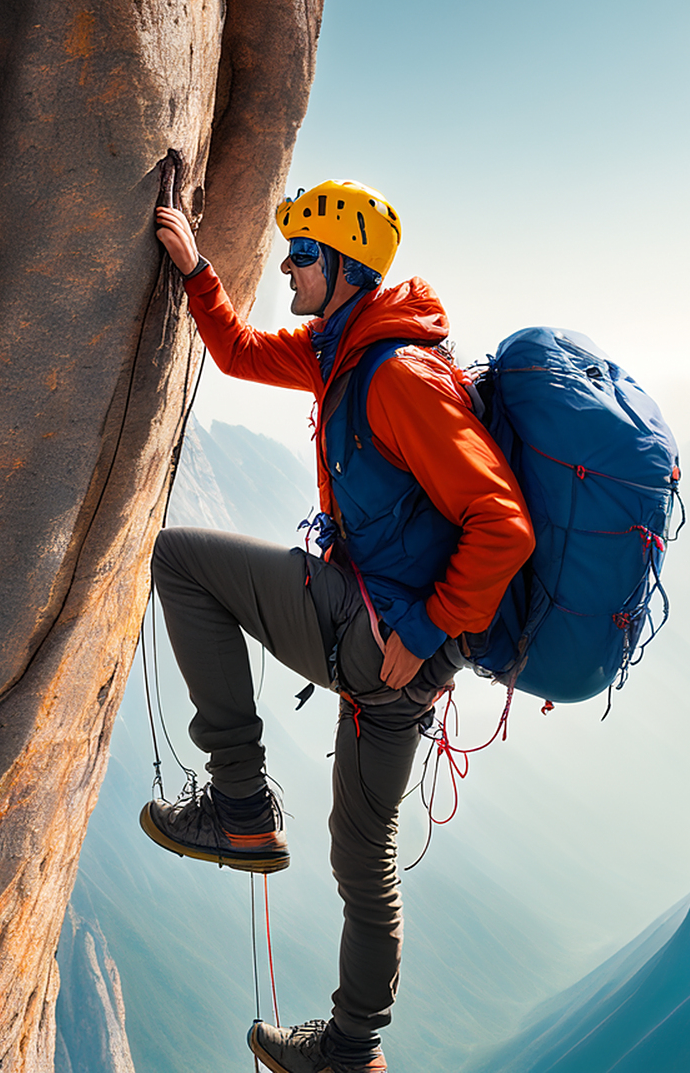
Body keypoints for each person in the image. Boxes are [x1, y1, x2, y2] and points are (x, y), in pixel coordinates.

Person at [147, 179, 534, 1073]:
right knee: (365, 859)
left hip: (383, 640)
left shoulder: (395, 377)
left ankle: (239, 802)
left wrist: (427, 626)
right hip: (404, 666)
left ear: (346, 268)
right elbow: (240, 350)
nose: (287, 265)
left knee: (180, 560)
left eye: (302, 254)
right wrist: (197, 270)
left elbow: (502, 521)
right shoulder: (341, 352)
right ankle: (353, 1053)